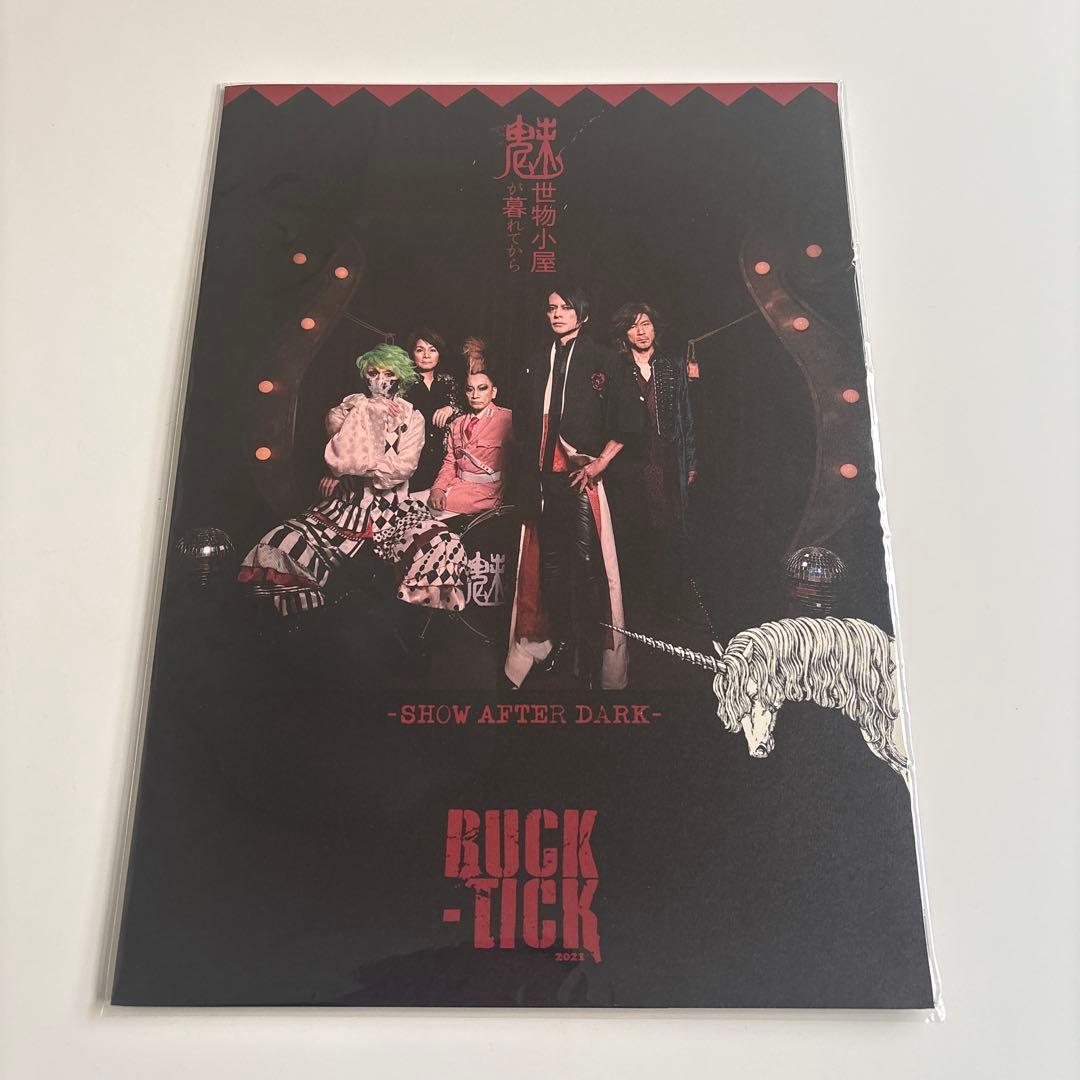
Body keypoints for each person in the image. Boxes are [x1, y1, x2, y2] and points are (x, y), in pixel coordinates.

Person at [238, 344, 467, 616]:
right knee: (282, 542)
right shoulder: (345, 410)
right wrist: (366, 412)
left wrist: (349, 471)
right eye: (373, 373)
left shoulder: (412, 416)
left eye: (389, 374)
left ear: (401, 378)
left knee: (441, 543)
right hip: (344, 509)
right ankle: (306, 624)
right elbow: (341, 459)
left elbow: (400, 470)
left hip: (396, 511)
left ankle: (411, 624)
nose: (380, 380)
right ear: (363, 375)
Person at [505, 285, 642, 690]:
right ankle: (560, 646)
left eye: (566, 308)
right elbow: (521, 424)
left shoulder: (605, 359)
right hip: (541, 480)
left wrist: (599, 463)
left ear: (582, 314)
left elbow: (630, 420)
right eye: (551, 308)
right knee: (548, 567)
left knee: (585, 568)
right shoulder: (536, 361)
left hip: (580, 478)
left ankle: (590, 656)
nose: (557, 314)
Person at [607, 301, 697, 619]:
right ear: (624, 334)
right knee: (632, 532)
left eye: (645, 324)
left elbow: (686, 417)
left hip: (666, 461)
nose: (641, 332)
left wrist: (690, 462)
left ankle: (667, 608)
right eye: (633, 326)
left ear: (655, 327)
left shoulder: (672, 366)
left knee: (667, 532)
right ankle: (633, 609)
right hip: (629, 464)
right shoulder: (617, 368)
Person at [429, 369, 513, 515]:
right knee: (419, 504)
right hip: (457, 486)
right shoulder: (457, 423)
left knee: (425, 511)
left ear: (493, 392)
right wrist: (438, 487)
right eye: (470, 389)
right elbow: (450, 462)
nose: (475, 395)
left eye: (482, 388)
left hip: (487, 494)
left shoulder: (507, 419)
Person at [403, 328, 464, 496]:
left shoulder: (448, 382)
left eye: (432, 350)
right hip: (412, 455)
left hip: (443, 458)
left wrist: (451, 408)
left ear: (439, 354)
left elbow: (465, 410)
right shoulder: (403, 384)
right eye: (420, 350)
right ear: (412, 354)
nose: (426, 356)